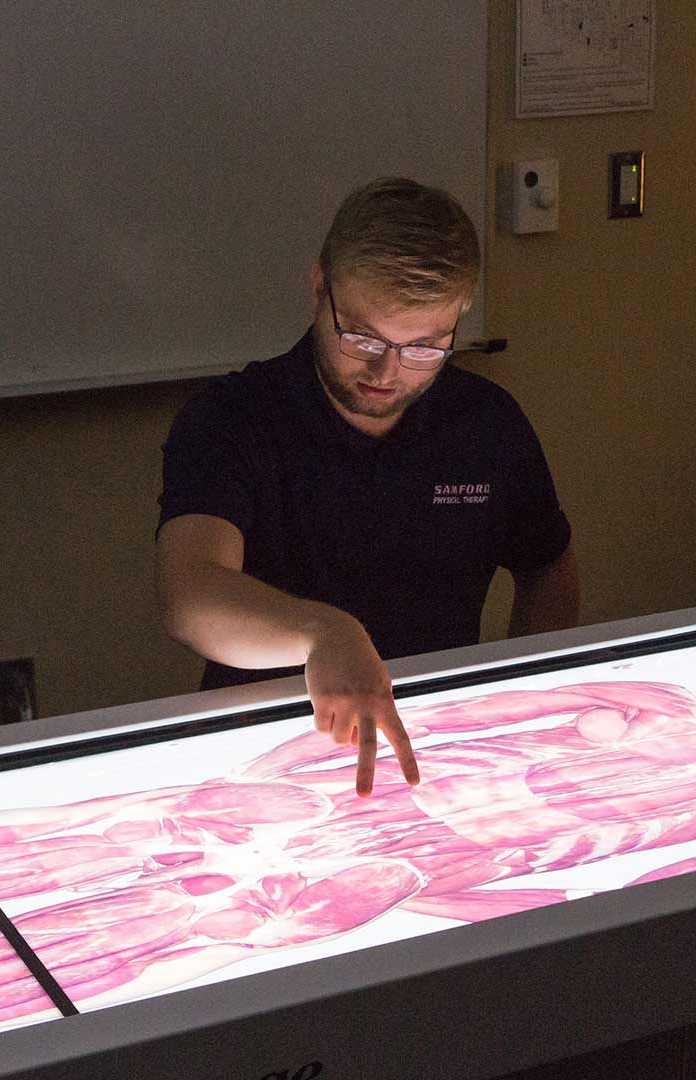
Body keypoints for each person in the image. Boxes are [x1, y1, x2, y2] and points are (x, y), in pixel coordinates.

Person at [156, 177, 579, 796]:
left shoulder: (488, 424)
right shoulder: (232, 419)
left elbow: (547, 566)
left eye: (425, 348)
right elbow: (188, 594)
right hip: (265, 754)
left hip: (439, 746)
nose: (388, 371)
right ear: (320, 284)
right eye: (362, 338)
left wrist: (519, 695)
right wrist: (325, 634)